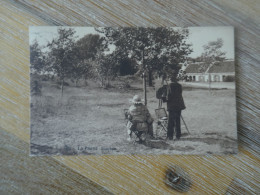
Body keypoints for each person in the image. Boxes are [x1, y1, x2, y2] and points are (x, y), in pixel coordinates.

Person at [166, 74, 186, 140]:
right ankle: (178, 135)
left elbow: (169, 96)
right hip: (178, 105)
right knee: (177, 120)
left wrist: (165, 99)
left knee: (170, 121)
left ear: (171, 80)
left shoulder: (170, 86)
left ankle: (170, 135)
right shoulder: (179, 86)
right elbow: (179, 94)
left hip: (172, 106)